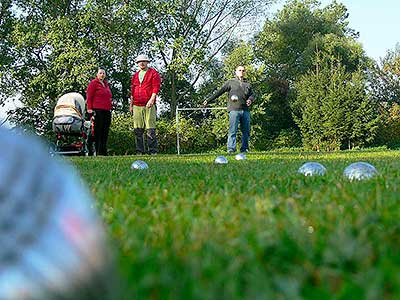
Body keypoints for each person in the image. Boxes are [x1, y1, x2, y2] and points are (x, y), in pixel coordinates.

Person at [203, 65, 255, 153]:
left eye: (243, 70)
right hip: (234, 110)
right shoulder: (230, 82)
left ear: (245, 72)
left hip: (245, 111)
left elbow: (253, 94)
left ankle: (244, 149)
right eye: (239, 70)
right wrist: (208, 100)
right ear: (236, 72)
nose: (241, 72)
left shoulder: (248, 84)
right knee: (232, 131)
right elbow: (219, 92)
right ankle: (231, 149)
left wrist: (250, 99)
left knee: (246, 132)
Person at [130, 54, 161, 155]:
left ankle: (153, 151)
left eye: (144, 61)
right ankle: (140, 151)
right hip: (136, 105)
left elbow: (155, 87)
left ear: (147, 62)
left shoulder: (153, 73)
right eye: (139, 62)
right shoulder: (135, 75)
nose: (142, 63)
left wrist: (152, 99)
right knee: (138, 129)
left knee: (150, 128)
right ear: (137, 63)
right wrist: (131, 105)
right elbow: (132, 91)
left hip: (149, 104)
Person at [86, 68, 112, 156]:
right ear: (97, 75)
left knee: (105, 131)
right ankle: (97, 151)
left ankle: (103, 151)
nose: (102, 75)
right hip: (97, 109)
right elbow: (89, 96)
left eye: (103, 73)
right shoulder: (93, 83)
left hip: (107, 110)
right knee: (97, 131)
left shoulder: (106, 85)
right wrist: (89, 109)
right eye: (100, 73)